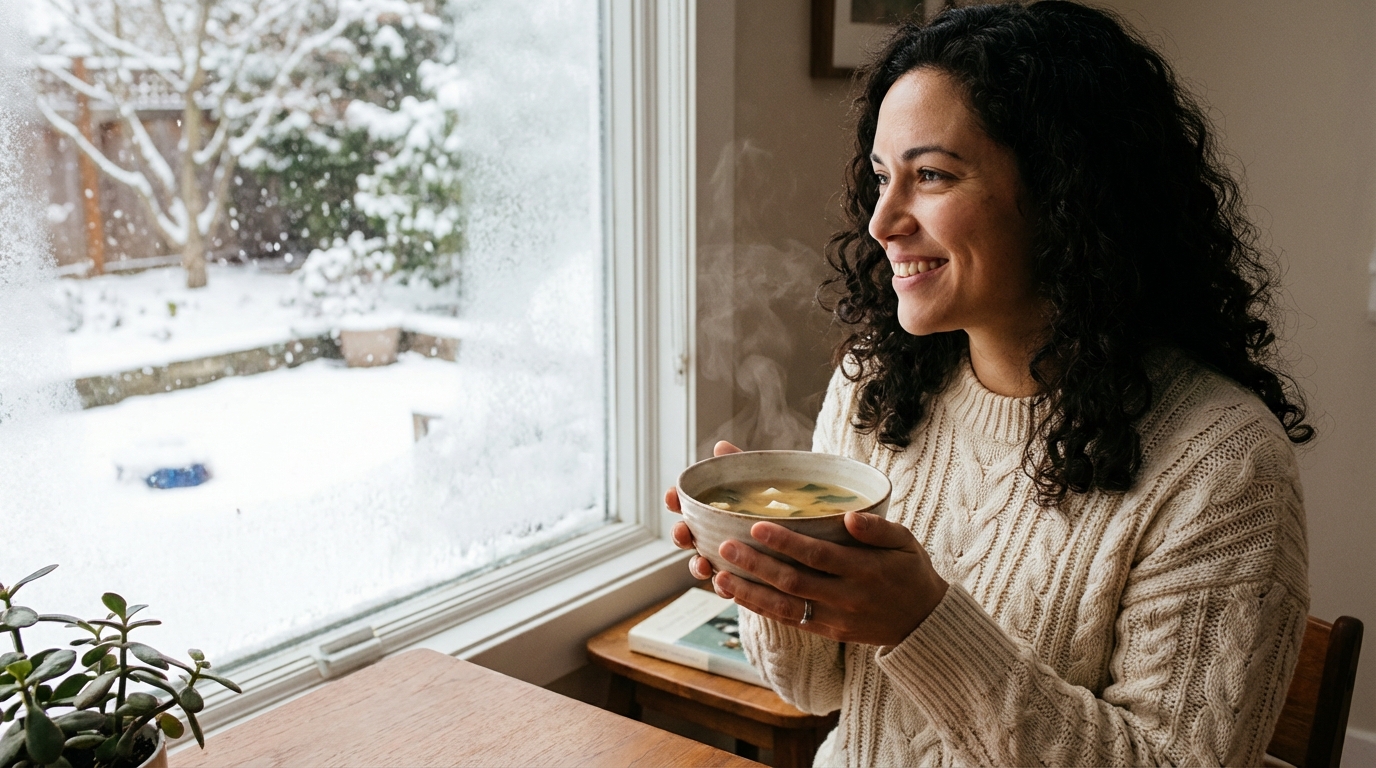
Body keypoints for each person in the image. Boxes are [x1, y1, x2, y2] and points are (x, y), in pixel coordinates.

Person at [665, 2, 1314, 766]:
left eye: (931, 175)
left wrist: (923, 624)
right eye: (882, 177)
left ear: (1066, 195)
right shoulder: (875, 385)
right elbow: (813, 690)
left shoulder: (1221, 466)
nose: (882, 222)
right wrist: (766, 574)